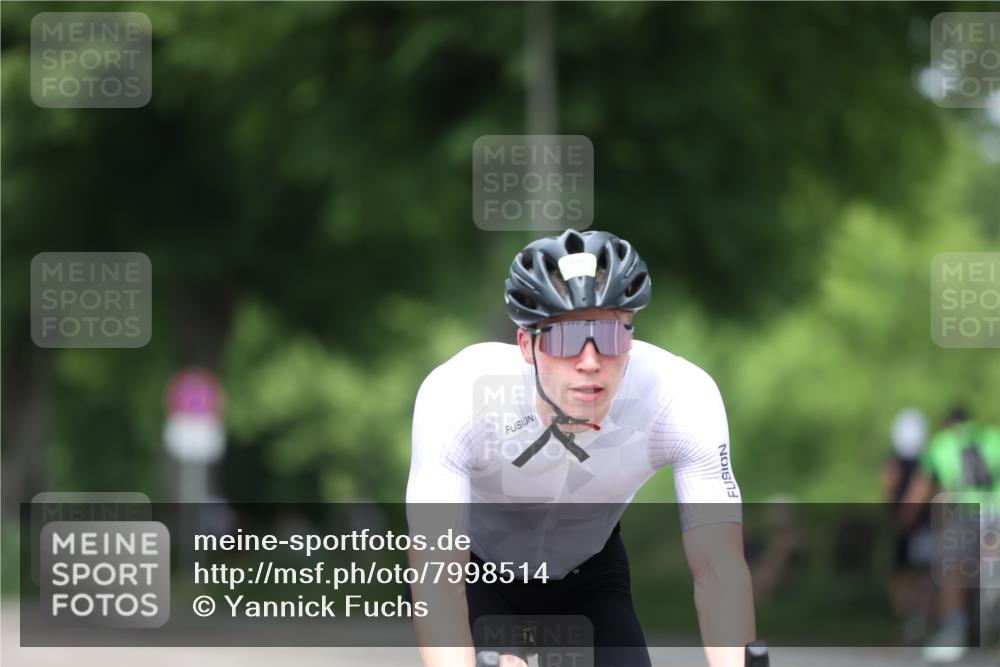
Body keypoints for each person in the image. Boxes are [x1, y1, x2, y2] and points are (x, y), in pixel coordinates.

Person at [406, 229, 756, 667]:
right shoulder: (459, 394)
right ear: (526, 345)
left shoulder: (679, 397)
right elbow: (437, 577)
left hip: (589, 576)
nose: (589, 360)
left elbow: (718, 567)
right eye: (564, 337)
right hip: (476, 575)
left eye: (609, 336)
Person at [902, 407, 1000, 664]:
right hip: (996, 511)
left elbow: (920, 488)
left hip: (965, 510)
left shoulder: (942, 443)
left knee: (951, 570)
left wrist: (904, 520)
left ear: (948, 424)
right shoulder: (992, 437)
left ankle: (953, 633)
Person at [880, 407, 934, 642]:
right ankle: (915, 619)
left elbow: (909, 493)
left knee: (914, 576)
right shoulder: (923, 462)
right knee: (910, 577)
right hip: (914, 529)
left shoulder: (902, 462)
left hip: (916, 529)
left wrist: (901, 518)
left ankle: (917, 622)